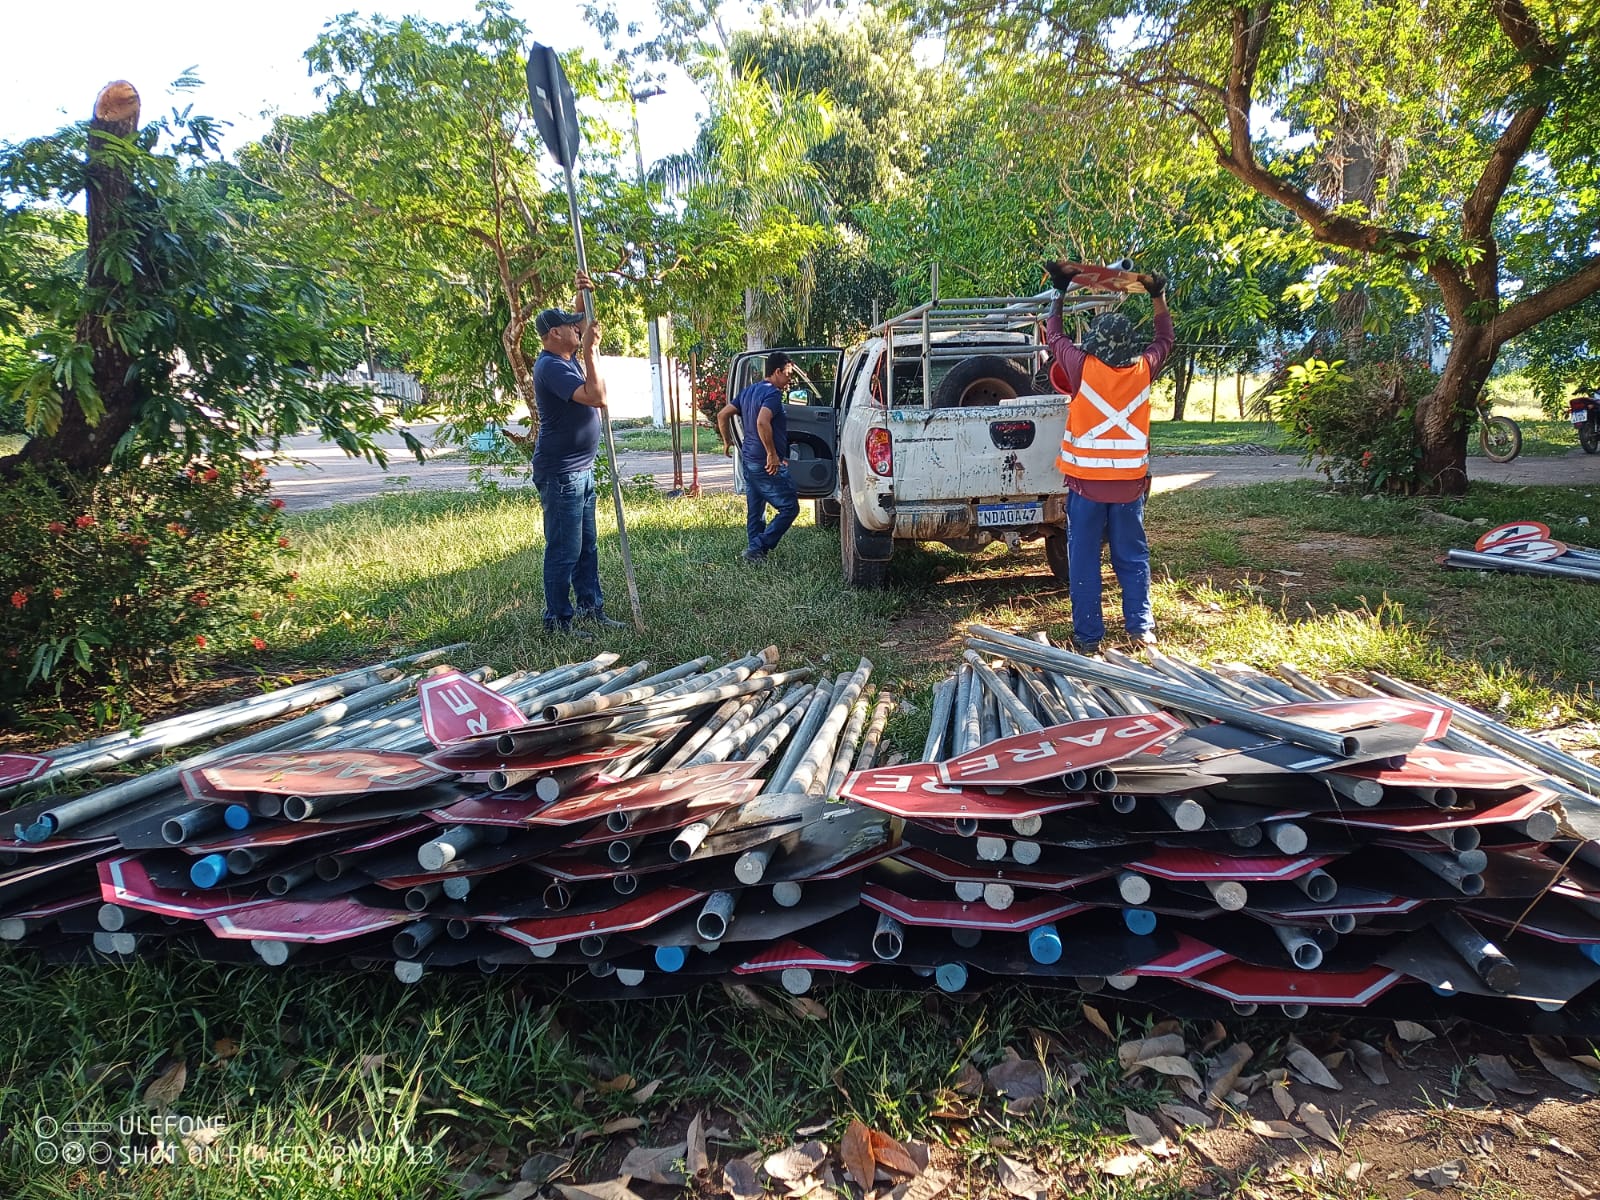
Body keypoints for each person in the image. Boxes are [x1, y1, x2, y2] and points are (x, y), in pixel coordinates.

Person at [1043, 263, 1174, 652]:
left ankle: (1089, 638)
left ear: (1096, 344)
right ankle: (1141, 629)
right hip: (1130, 488)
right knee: (1132, 557)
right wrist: (1157, 295)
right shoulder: (1143, 370)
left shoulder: (1082, 368)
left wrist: (1060, 290)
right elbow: (1165, 338)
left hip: (1086, 490)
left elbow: (1054, 335)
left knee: (1084, 562)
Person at [531, 272, 625, 635]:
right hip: (562, 473)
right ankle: (557, 620)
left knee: (587, 546)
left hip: (580, 470)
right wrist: (588, 350)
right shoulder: (552, 366)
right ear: (554, 334)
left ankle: (591, 608)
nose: (578, 329)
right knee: (564, 548)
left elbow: (583, 323)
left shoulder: (563, 354)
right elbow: (597, 398)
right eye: (569, 327)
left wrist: (580, 293)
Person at [717, 351, 801, 564]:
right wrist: (772, 455)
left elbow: (722, 414)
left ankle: (754, 554)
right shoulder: (772, 394)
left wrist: (727, 441)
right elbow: (762, 422)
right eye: (788, 373)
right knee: (790, 507)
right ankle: (759, 546)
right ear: (777, 372)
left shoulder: (748, 391)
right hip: (765, 463)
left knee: (756, 510)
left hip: (748, 460)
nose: (789, 378)